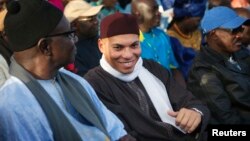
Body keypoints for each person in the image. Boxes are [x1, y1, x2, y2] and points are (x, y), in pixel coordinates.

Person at [0, 0, 135, 141]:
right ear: (46, 47)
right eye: (69, 34)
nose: (75, 39)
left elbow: (117, 132)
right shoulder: (13, 104)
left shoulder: (74, 81)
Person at [84, 12, 210, 141]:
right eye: (118, 47)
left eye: (134, 45)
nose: (128, 55)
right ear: (101, 46)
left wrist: (195, 113)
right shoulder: (94, 84)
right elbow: (119, 134)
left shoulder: (153, 68)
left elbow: (190, 101)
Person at [187, 6, 250, 124]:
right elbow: (227, 118)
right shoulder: (203, 71)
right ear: (214, 34)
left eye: (241, 29)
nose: (240, 35)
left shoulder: (241, 53)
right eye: (234, 30)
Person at [131, 0, 186, 87]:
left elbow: (174, 68)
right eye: (154, 10)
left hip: (171, 91)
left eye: (158, 9)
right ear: (138, 14)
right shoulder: (130, 43)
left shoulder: (162, 35)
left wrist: (182, 92)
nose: (159, 13)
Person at [167, 0, 207, 80]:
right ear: (186, 17)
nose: (199, 24)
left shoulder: (198, 33)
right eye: (197, 20)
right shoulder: (170, 40)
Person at [64, 0, 103, 76]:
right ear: (74, 25)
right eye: (91, 19)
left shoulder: (98, 40)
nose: (96, 22)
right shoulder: (71, 51)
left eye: (96, 17)